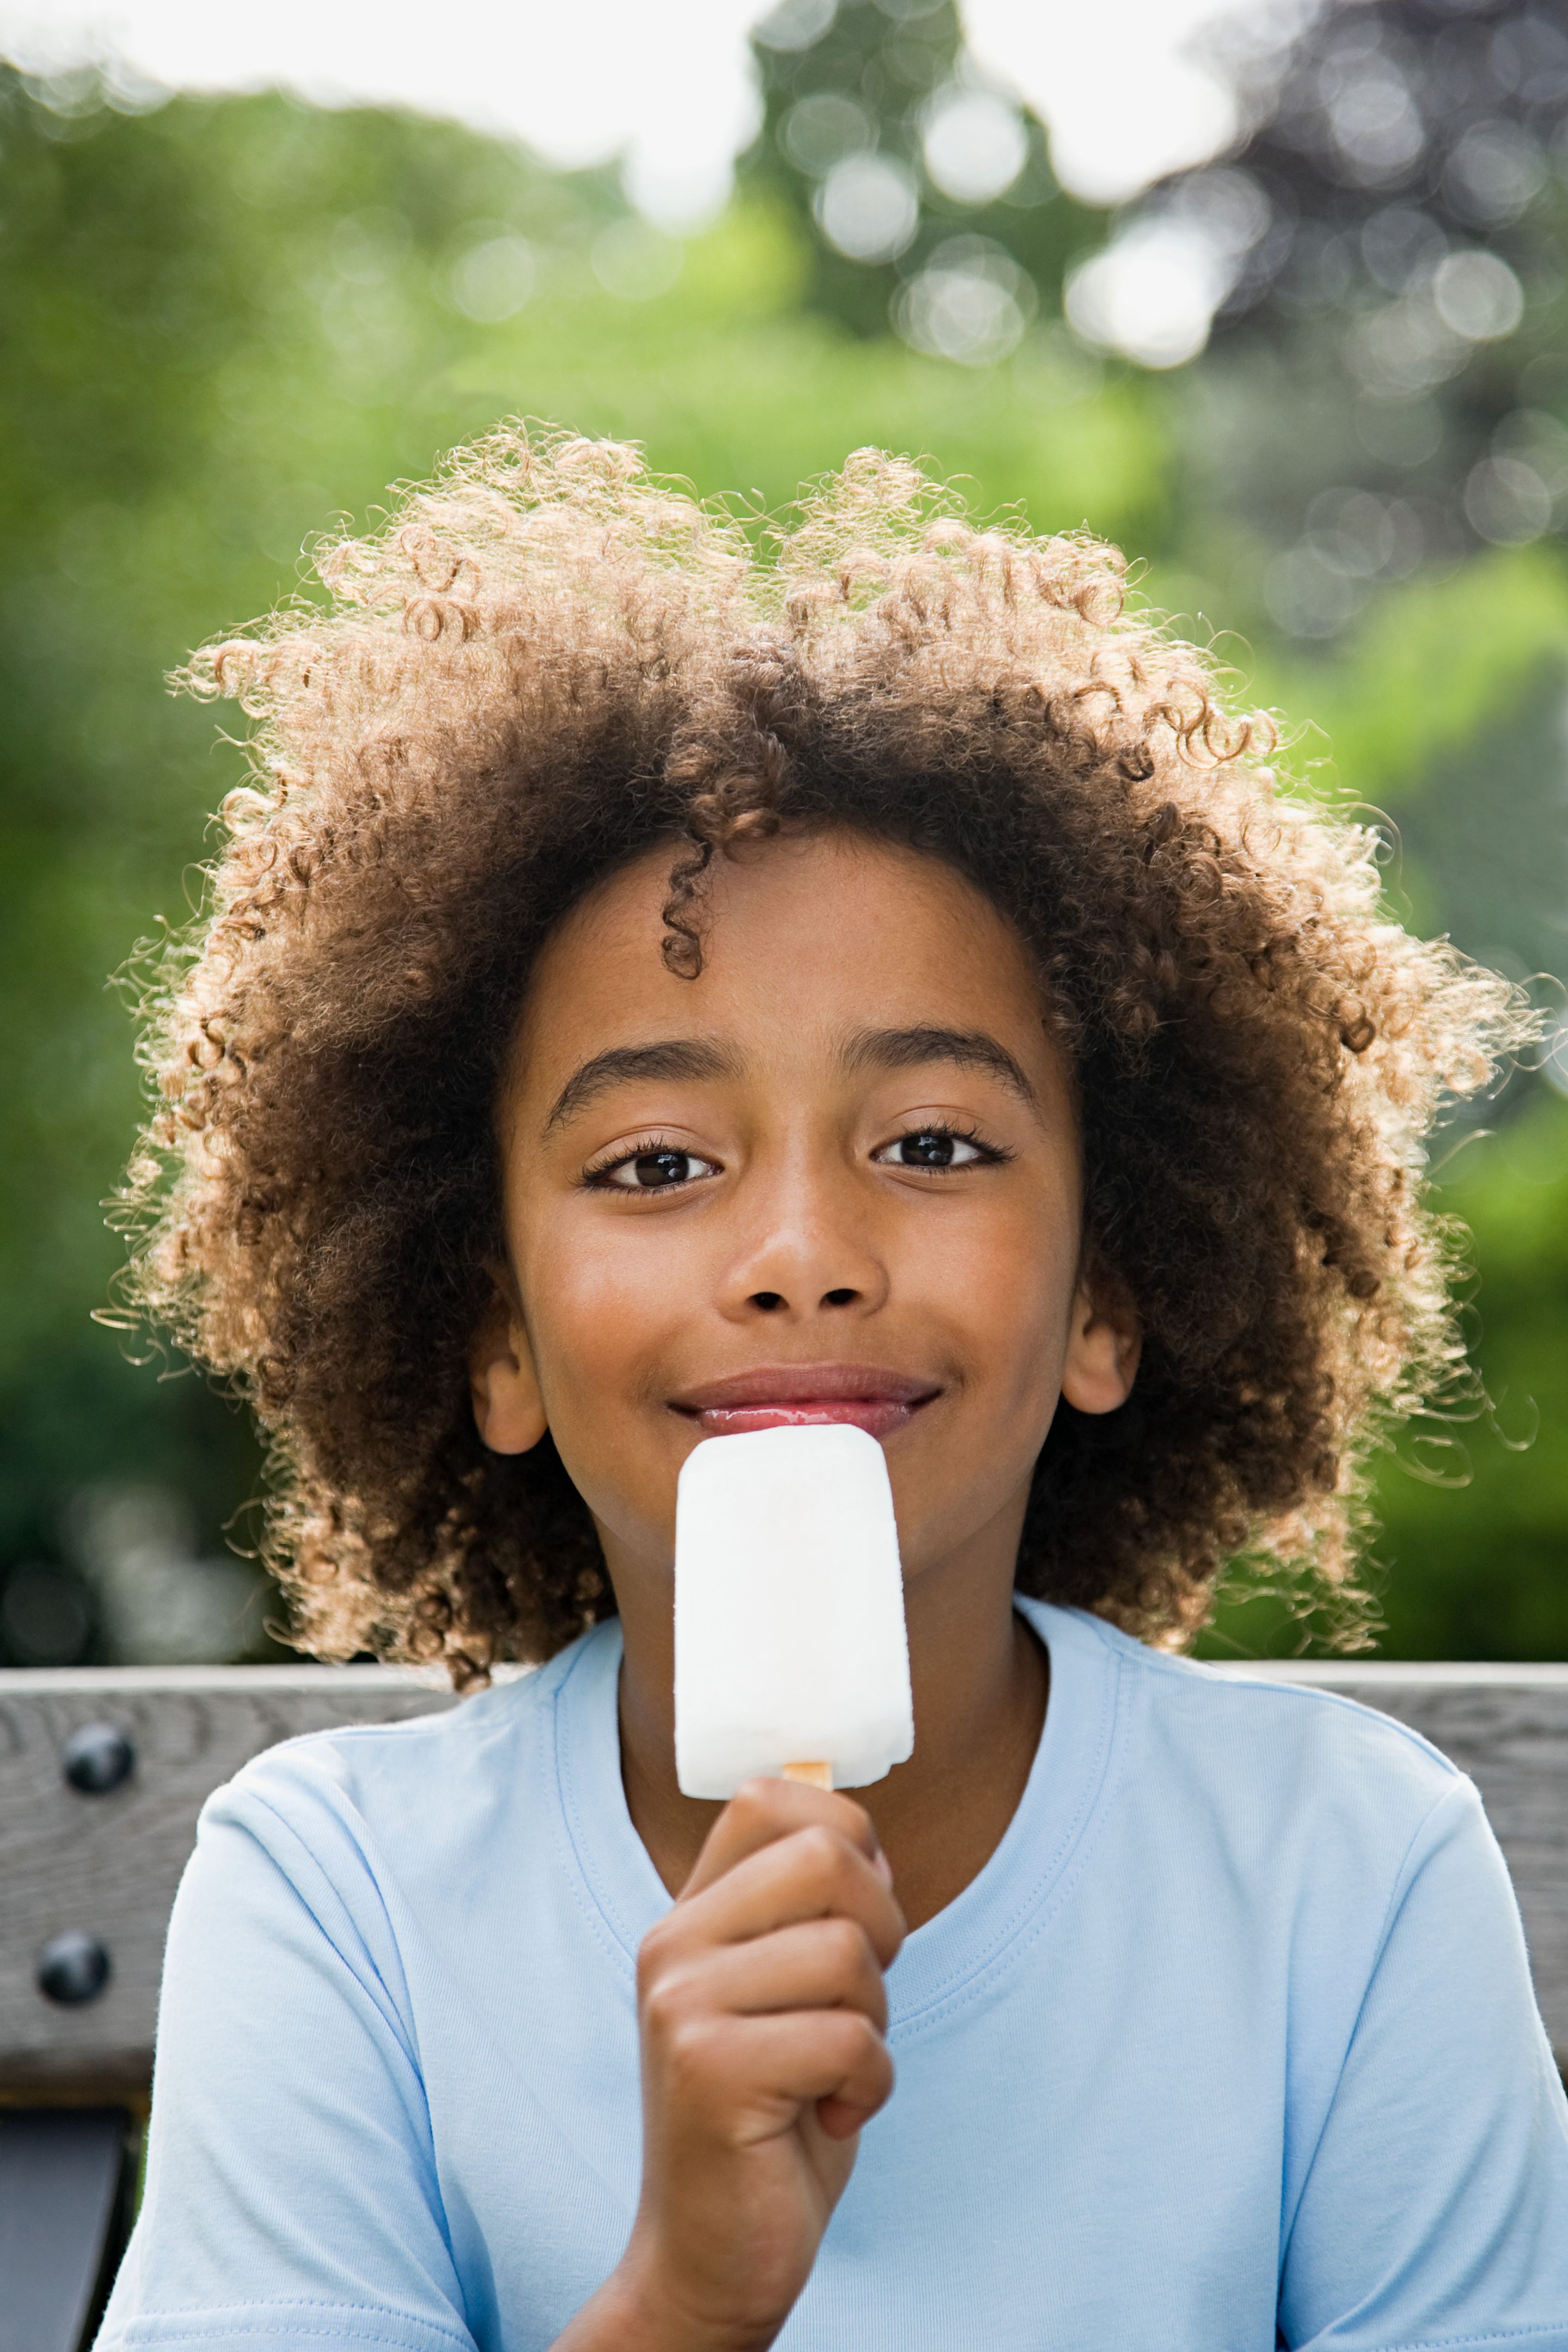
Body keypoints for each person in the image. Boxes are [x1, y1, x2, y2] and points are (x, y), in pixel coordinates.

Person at [99, 430, 1568, 2352]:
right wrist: (686, 2294)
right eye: (654, 1165)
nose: (801, 1247)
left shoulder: (1344, 1878)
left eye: (938, 1144)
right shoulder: (339, 1900)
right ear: (497, 1336)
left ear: (1110, 1290)